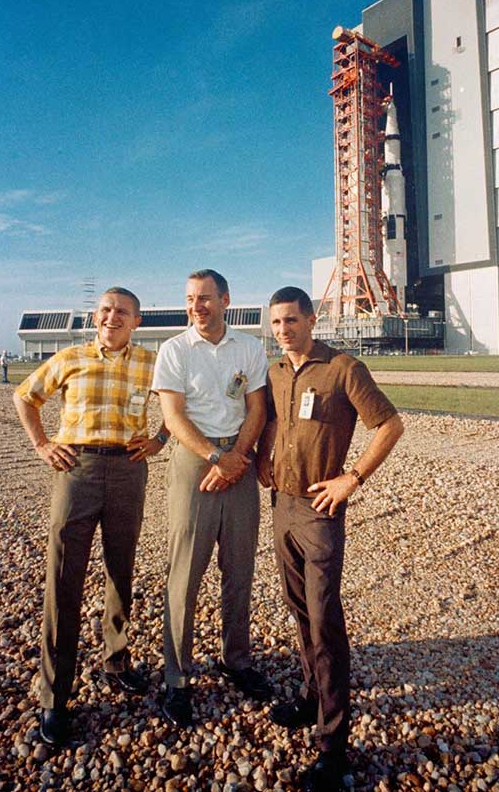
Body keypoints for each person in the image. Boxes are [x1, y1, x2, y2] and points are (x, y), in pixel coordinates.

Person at [256, 287, 404, 792]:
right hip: (282, 505)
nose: (283, 330)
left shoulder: (344, 369)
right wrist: (261, 457)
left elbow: (389, 424)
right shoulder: (276, 372)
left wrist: (353, 478)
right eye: (276, 323)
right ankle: (310, 696)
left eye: (291, 320)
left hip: (321, 510)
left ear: (312, 319)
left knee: (324, 621)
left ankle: (334, 748)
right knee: (299, 610)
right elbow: (275, 419)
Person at [13, 287, 169, 747]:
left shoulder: (151, 362)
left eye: (122, 311)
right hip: (76, 469)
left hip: (128, 470)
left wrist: (159, 439)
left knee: (121, 571)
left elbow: (184, 403)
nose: (112, 317)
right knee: (64, 578)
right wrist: (42, 444)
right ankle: (54, 696)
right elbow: (27, 397)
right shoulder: (70, 357)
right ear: (95, 317)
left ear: (137, 320)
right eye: (105, 310)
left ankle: (116, 662)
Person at [153, 269, 271, 727]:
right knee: (184, 573)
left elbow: (257, 407)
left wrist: (238, 456)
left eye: (204, 298)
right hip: (195, 458)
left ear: (225, 299)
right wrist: (214, 457)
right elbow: (174, 415)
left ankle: (235, 660)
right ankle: (177, 677)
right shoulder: (175, 350)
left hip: (238, 459)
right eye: (189, 299)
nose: (196, 307)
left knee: (239, 568)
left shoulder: (250, 347)